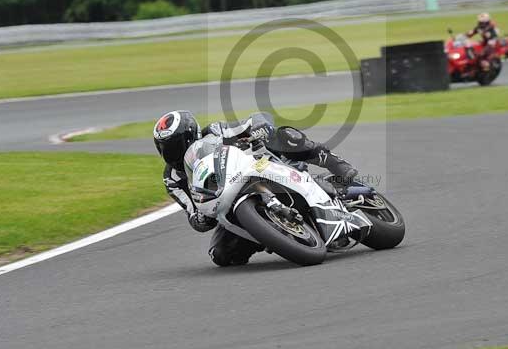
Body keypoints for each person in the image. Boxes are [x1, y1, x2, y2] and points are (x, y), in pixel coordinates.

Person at [152, 110, 358, 266]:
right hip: (225, 204)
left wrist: (259, 129)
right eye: (164, 147)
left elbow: (256, 120)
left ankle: (334, 162)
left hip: (259, 168)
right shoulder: (171, 178)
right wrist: (200, 218)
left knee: (284, 136)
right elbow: (192, 213)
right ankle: (274, 234)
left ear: (190, 135)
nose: (170, 152)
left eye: (175, 144)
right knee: (221, 255)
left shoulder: (215, 132)